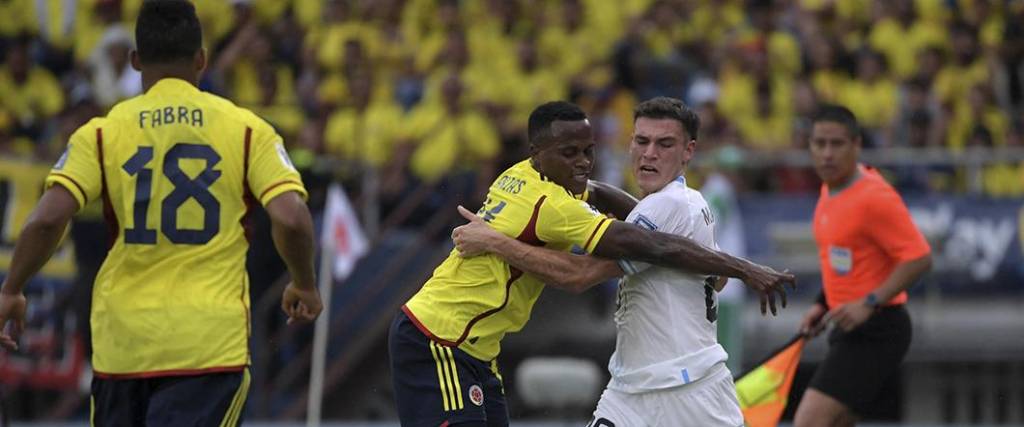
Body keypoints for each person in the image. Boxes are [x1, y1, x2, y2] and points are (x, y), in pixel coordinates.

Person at [0, 1, 323, 425]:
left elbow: (46, 219)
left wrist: (12, 289)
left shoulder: (101, 132)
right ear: (202, 59)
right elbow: (292, 217)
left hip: (123, 347)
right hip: (209, 347)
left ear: (136, 61)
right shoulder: (247, 130)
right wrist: (303, 283)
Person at [389, 100, 794, 426]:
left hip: (684, 385)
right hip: (444, 338)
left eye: (664, 144)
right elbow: (633, 244)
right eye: (641, 142)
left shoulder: (530, 176)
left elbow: (614, 243)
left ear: (689, 151)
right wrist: (739, 267)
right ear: (539, 154)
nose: (582, 162)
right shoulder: (564, 203)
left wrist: (495, 240)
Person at [793, 105, 932, 427]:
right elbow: (847, 262)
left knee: (809, 422)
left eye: (837, 144)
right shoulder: (830, 188)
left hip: (879, 329)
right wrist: (822, 304)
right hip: (846, 327)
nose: (827, 153)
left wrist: (868, 303)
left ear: (856, 145)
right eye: (819, 143)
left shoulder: (874, 196)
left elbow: (919, 257)